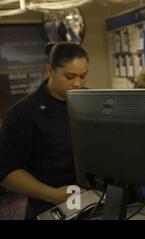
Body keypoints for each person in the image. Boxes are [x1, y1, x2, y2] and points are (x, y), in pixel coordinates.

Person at [0, 42, 89, 219]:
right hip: (47, 206)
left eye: (83, 76)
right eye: (70, 76)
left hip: (92, 201)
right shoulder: (23, 114)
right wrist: (53, 195)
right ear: (50, 70)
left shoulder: (92, 103)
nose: (78, 83)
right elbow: (7, 173)